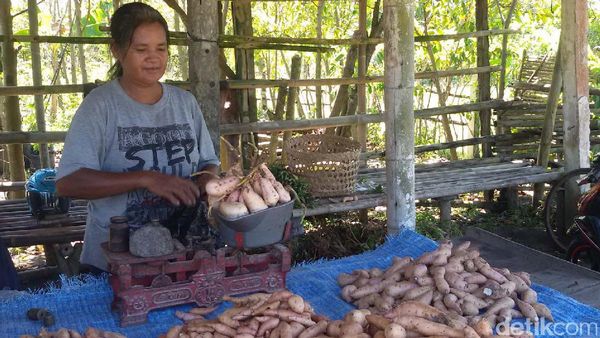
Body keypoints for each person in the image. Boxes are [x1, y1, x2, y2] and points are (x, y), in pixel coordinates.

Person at [56, 3, 219, 272]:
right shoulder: (100, 107)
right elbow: (68, 183)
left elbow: (209, 162)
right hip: (115, 261)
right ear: (117, 51)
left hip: (183, 253)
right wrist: (145, 178)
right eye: (141, 50)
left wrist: (206, 180)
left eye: (161, 48)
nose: (153, 58)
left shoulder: (185, 103)